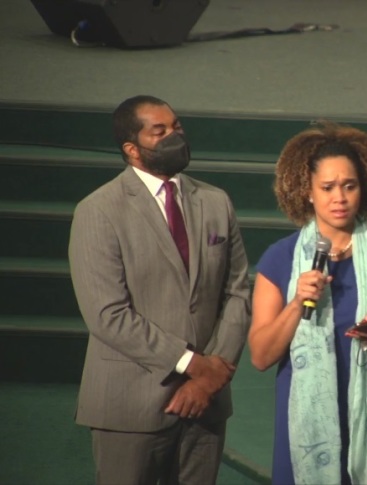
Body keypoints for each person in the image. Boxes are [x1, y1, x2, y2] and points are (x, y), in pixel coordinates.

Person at [68, 95, 252, 484]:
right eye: (160, 131)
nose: (175, 137)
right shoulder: (99, 211)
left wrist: (211, 376)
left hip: (207, 403)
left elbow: (238, 292)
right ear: (132, 149)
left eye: (177, 127)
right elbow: (108, 315)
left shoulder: (215, 201)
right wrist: (193, 365)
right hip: (130, 406)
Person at [249, 121, 367, 485]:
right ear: (308, 193)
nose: (340, 198)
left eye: (349, 186)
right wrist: (297, 301)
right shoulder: (280, 259)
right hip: (305, 418)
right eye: (328, 188)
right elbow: (261, 356)